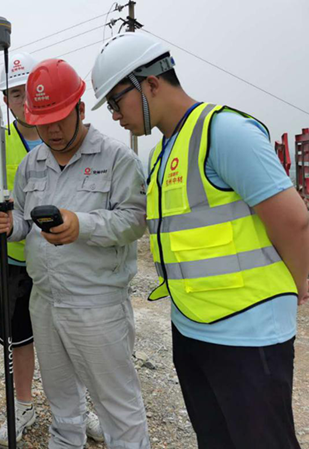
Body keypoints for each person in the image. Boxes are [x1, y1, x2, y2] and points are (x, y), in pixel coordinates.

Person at [91, 31, 309, 449]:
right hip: (192, 328)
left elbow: (294, 221)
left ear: (150, 83)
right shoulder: (161, 153)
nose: (115, 115)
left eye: (116, 101)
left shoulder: (224, 132)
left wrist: (296, 284)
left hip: (249, 334)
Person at [0, 58, 150, 449]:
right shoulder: (31, 165)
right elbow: (25, 222)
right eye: (43, 122)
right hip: (45, 301)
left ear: (80, 108)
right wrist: (11, 227)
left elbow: (134, 220)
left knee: (118, 407)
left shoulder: (116, 159)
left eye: (60, 119)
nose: (53, 131)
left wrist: (83, 225)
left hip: (96, 303)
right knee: (62, 402)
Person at [0, 52, 104, 446]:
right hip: (16, 259)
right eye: (13, 94)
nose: (21, 101)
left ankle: (82, 408)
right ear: (4, 99)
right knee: (20, 337)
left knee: (74, 338)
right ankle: (23, 404)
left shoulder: (64, 134)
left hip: (66, 257)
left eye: (26, 92)